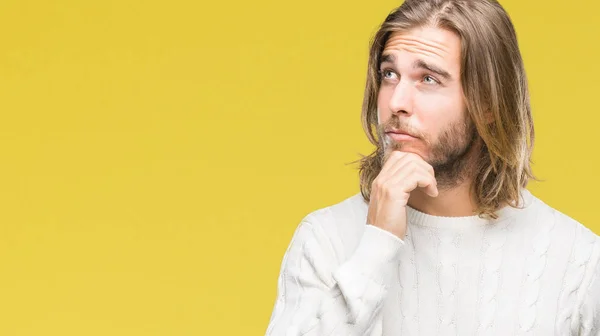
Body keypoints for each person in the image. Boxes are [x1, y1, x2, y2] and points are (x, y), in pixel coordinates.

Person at [265, 0, 600, 335]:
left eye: (428, 79)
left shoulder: (578, 260)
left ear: (488, 103)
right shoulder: (326, 240)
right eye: (389, 74)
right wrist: (376, 245)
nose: (396, 102)